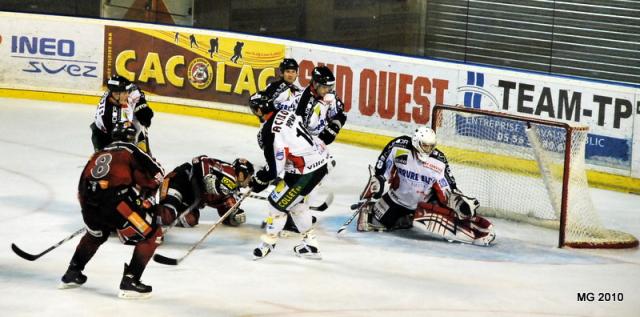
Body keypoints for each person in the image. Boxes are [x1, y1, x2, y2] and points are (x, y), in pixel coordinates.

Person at [60, 122, 165, 299]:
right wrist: (144, 192)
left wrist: (92, 209)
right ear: (133, 137)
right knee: (153, 234)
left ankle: (72, 273)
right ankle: (130, 281)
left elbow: (81, 187)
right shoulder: (131, 150)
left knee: (95, 235)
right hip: (118, 206)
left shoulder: (97, 154)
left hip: (89, 205)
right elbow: (158, 175)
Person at [357, 126, 495, 246]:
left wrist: (459, 202)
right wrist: (378, 182)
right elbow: (381, 170)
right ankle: (403, 218)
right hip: (396, 200)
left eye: (431, 146)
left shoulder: (438, 161)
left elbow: (448, 190)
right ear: (416, 142)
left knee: (440, 217)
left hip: (423, 205)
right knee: (373, 222)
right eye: (425, 145)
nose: (428, 149)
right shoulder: (398, 147)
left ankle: (475, 227)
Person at [247, 94, 330, 260]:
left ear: (258, 110)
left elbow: (274, 170)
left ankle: (268, 244)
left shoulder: (268, 132)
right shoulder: (284, 112)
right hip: (318, 163)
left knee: (276, 204)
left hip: (305, 173)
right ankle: (311, 245)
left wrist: (258, 180)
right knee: (297, 206)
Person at [157, 155, 254, 228]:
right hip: (179, 181)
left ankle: (166, 216)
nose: (250, 180)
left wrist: (234, 217)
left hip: (191, 199)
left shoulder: (232, 192)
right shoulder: (228, 171)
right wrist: (208, 177)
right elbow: (199, 160)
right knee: (166, 215)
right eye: (249, 176)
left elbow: (226, 212)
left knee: (190, 220)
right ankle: (145, 215)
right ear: (242, 174)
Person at [91, 75, 154, 153]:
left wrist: (142, 108)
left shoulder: (125, 91)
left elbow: (136, 92)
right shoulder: (107, 113)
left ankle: (141, 145)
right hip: (103, 136)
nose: (128, 94)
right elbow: (120, 137)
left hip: (121, 125)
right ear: (115, 94)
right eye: (125, 92)